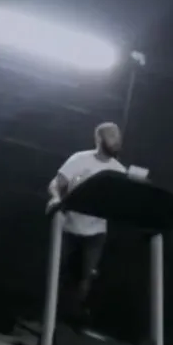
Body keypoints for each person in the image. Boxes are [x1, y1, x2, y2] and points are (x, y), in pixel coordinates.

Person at [47, 122, 127, 324]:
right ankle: (50, 318)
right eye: (111, 135)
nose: (116, 140)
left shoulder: (119, 170)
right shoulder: (80, 159)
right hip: (69, 226)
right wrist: (56, 198)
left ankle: (72, 320)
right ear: (99, 139)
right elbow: (56, 183)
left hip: (96, 232)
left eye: (118, 136)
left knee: (87, 277)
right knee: (59, 273)